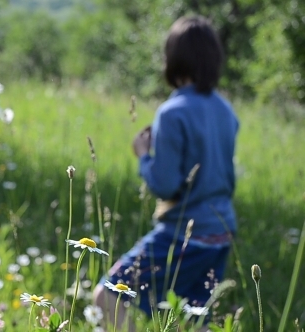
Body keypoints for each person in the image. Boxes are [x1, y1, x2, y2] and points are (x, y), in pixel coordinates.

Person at [93, 16, 239, 331]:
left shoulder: (172, 113)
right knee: (196, 319)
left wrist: (144, 155)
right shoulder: (226, 110)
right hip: (221, 232)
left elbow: (165, 185)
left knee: (107, 297)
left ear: (172, 59)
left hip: (183, 234)